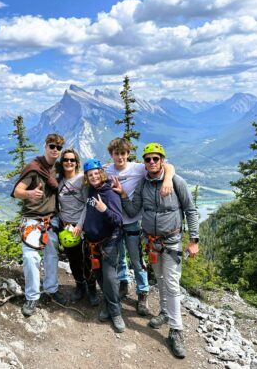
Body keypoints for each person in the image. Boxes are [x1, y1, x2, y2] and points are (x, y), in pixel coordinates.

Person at [112, 143, 199, 358]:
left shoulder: (176, 182)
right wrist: (123, 194)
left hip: (171, 242)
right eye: (148, 159)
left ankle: (176, 331)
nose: (151, 162)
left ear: (162, 160)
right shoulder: (143, 185)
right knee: (159, 279)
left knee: (170, 283)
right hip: (152, 242)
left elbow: (190, 209)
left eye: (155, 159)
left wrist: (194, 239)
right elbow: (133, 210)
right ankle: (164, 313)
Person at [106, 137, 175, 316]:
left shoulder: (138, 168)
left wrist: (167, 179)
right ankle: (123, 284)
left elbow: (166, 166)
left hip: (132, 222)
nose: (120, 157)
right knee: (120, 258)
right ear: (111, 155)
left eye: (123, 153)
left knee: (137, 260)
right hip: (114, 223)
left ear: (128, 154)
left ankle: (142, 293)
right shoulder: (107, 170)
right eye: (116, 154)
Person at [11, 133, 67, 317]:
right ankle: (32, 296)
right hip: (32, 219)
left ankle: (51, 289)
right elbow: (18, 191)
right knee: (30, 257)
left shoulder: (59, 169)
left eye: (58, 148)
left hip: (51, 218)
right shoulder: (34, 169)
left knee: (51, 255)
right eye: (52, 146)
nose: (55, 150)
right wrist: (29, 194)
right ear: (45, 146)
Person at [83, 159, 125, 332]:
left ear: (101, 174)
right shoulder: (92, 190)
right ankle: (108, 305)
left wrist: (104, 209)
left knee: (110, 277)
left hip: (108, 243)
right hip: (93, 243)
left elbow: (118, 220)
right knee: (100, 276)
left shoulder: (110, 194)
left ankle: (116, 312)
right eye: (90, 175)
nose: (93, 177)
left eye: (96, 173)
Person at [57, 148, 100, 306]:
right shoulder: (59, 181)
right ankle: (79, 286)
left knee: (87, 258)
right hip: (66, 227)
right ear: (62, 163)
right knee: (73, 260)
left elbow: (87, 205)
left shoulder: (82, 180)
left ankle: (91, 288)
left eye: (72, 160)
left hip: (81, 226)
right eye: (66, 160)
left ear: (76, 163)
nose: (69, 162)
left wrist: (80, 225)